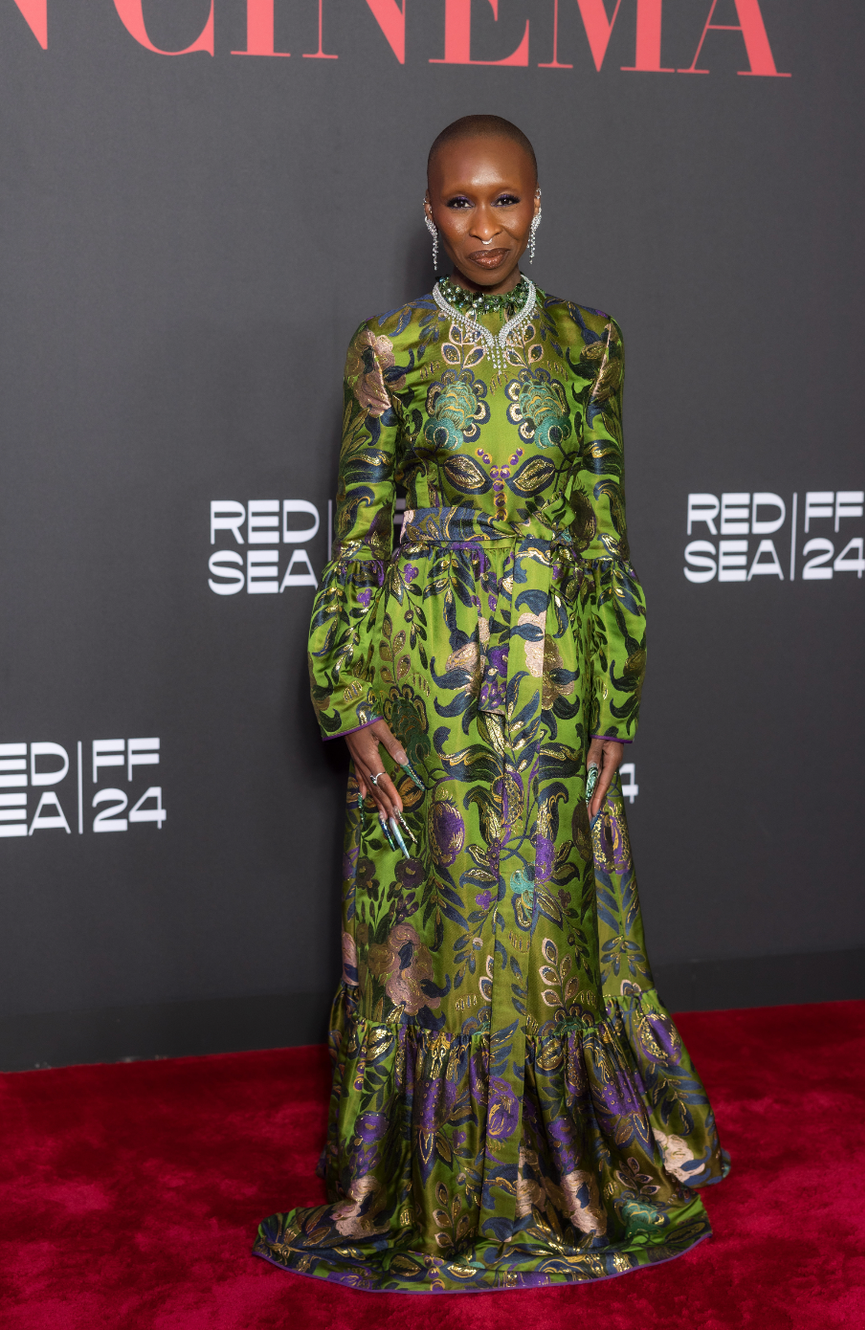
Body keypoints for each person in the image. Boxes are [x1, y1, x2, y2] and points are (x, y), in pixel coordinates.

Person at [254, 114, 728, 1293]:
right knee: (440, 925)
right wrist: (352, 696)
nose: (484, 225)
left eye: (504, 200)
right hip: (424, 678)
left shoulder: (591, 345)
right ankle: (414, 1177)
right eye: (459, 203)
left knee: (546, 928)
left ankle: (563, 1165)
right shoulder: (388, 349)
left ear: (538, 205)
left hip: (554, 678)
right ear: (427, 213)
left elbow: (604, 534)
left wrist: (613, 690)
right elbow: (354, 544)